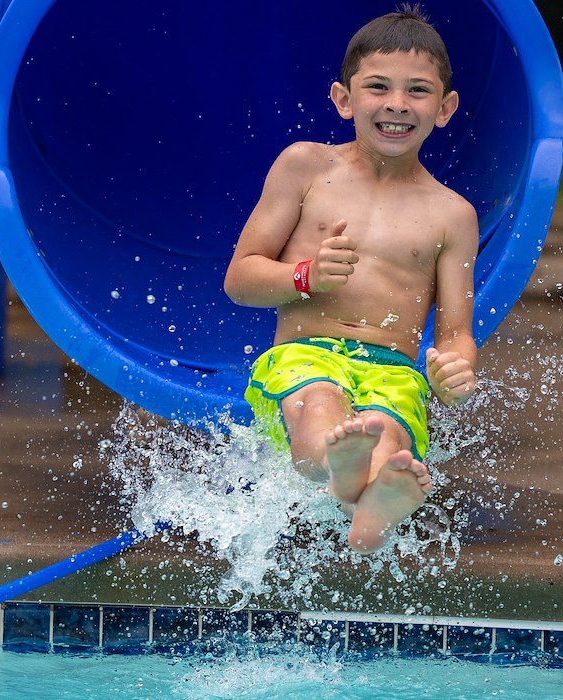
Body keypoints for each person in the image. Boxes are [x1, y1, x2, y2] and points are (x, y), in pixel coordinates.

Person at [223, 4, 478, 553]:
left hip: (394, 367)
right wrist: (306, 276)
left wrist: (456, 372)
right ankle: (346, 479)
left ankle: (368, 509)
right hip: (305, 354)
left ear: (445, 108)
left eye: (418, 91)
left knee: (390, 438)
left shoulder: (452, 214)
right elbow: (240, 279)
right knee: (322, 406)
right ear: (344, 99)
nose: (396, 104)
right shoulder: (306, 168)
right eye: (378, 86)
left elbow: (456, 331)